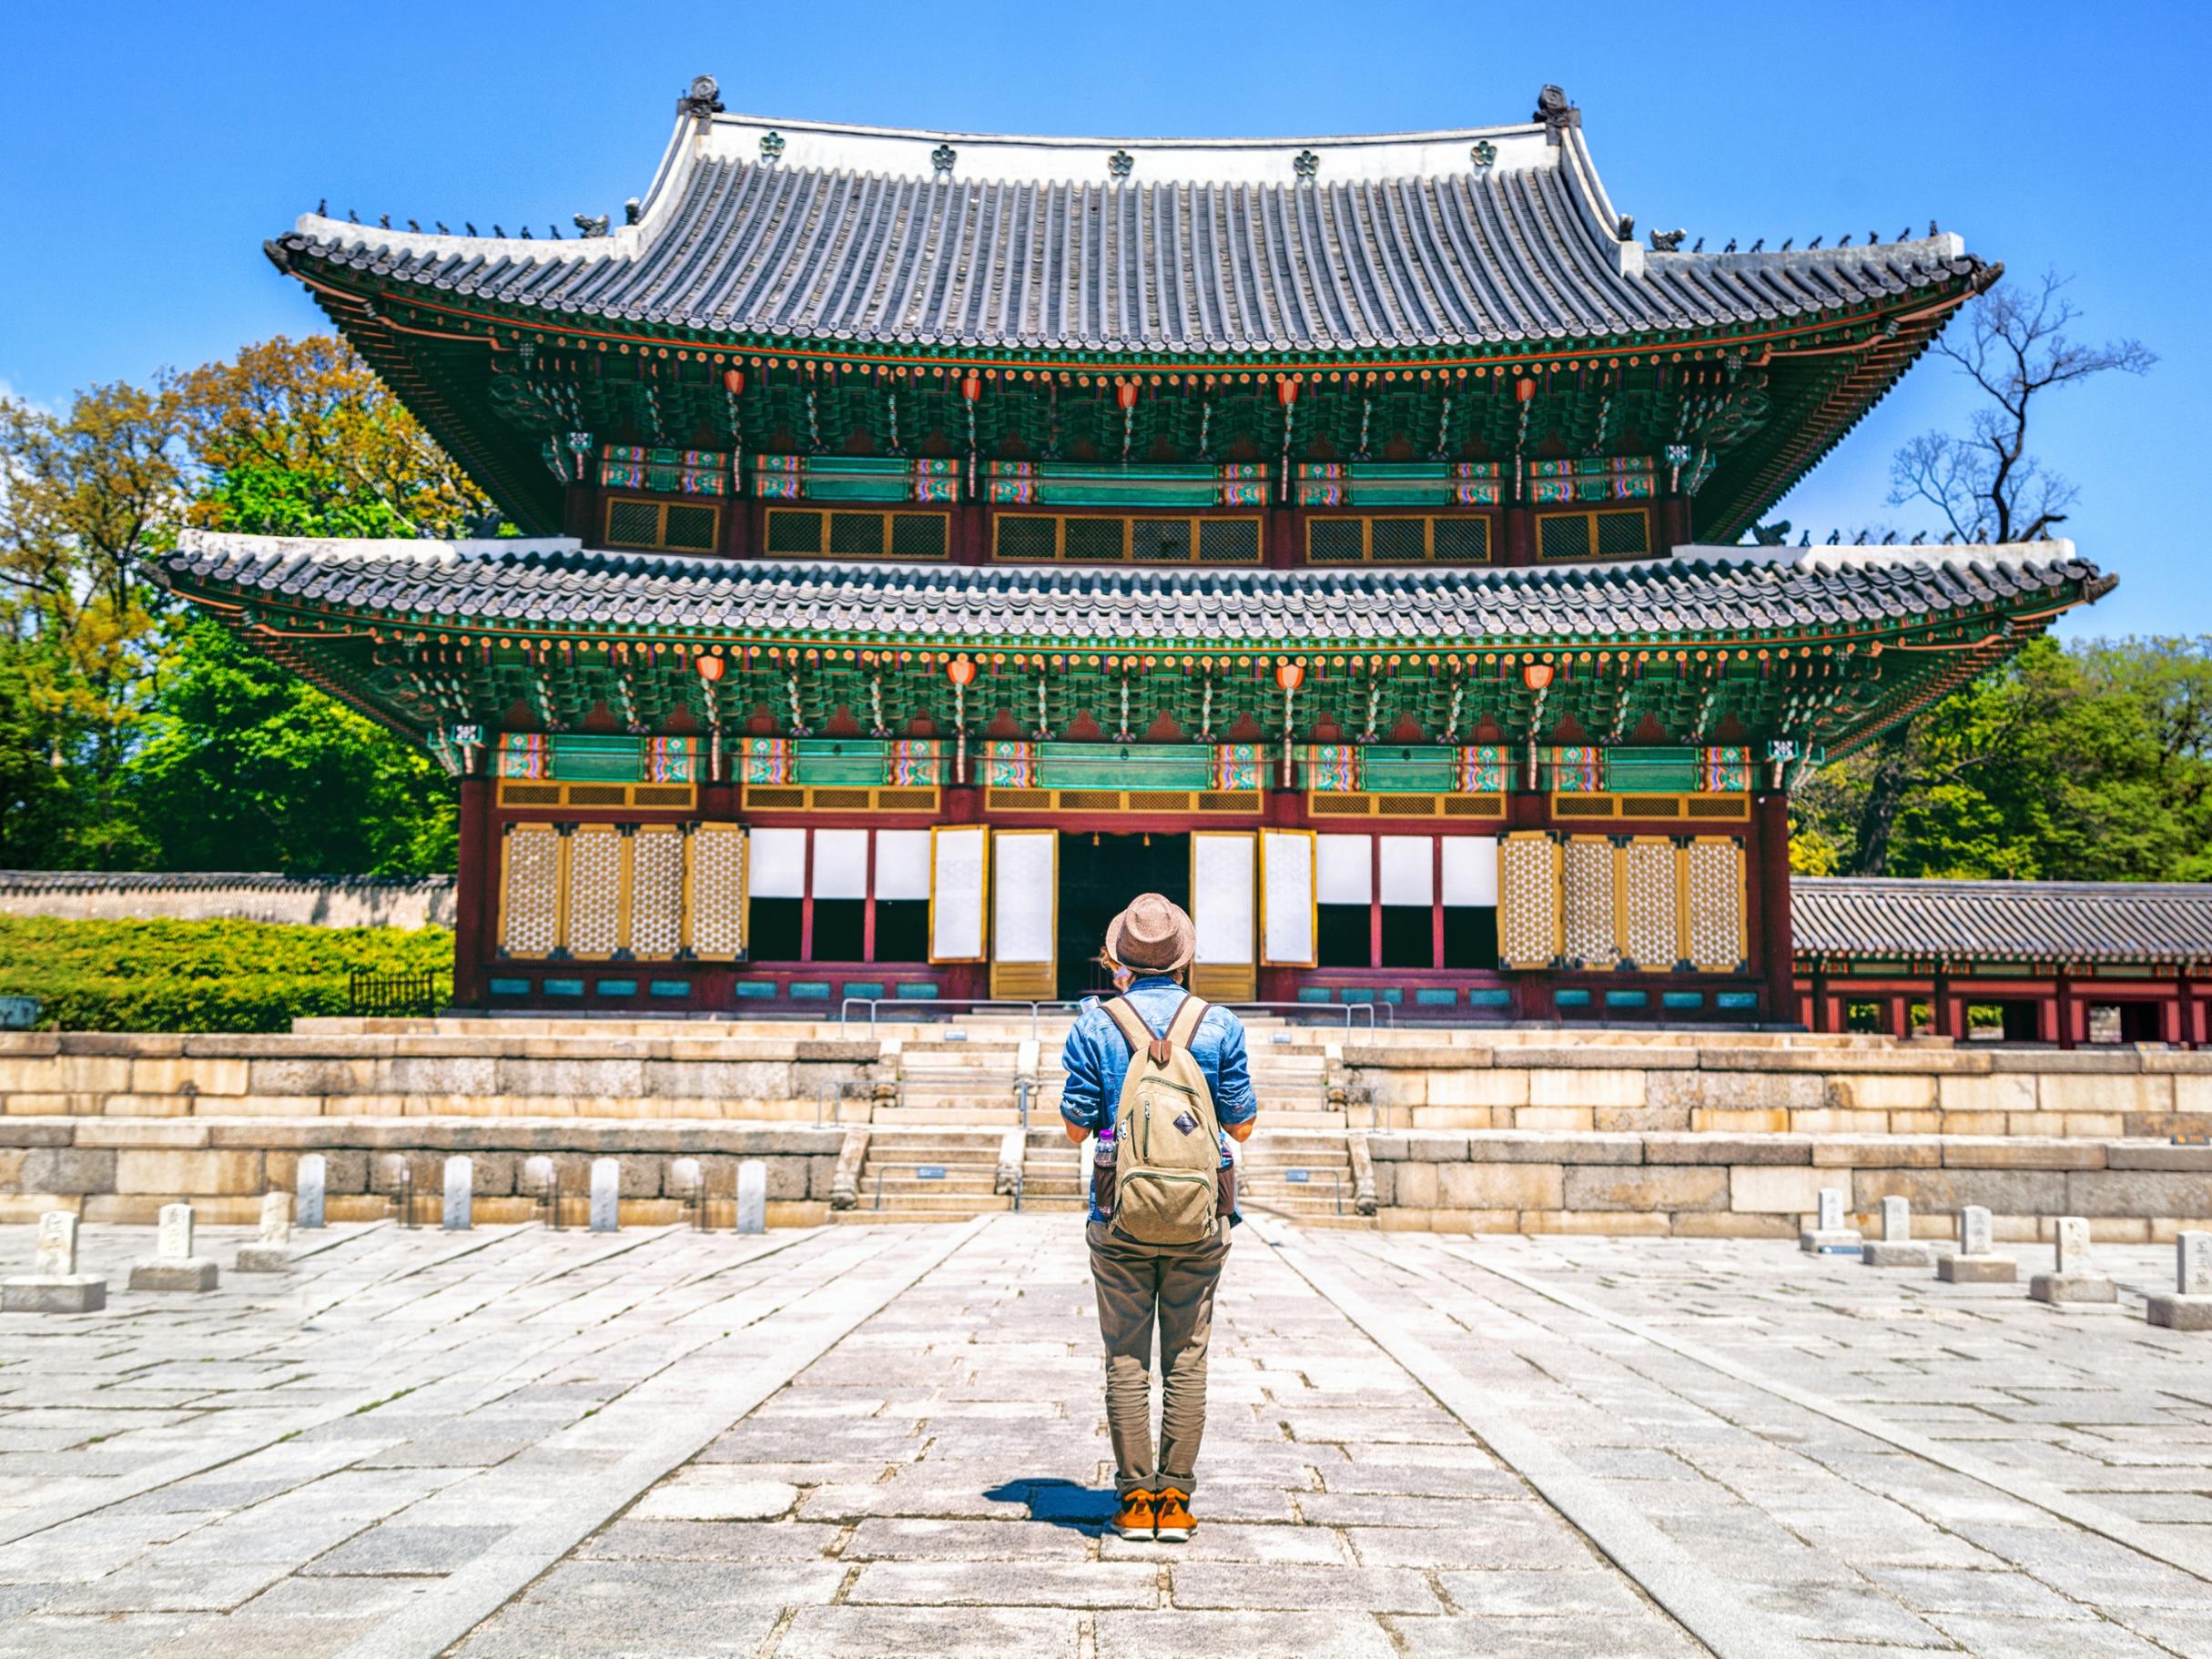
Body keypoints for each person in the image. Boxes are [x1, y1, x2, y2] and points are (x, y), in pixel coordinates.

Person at [1060, 892, 1256, 1543]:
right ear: (1184, 957)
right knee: (1188, 1356)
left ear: (1120, 956)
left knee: (1125, 1357)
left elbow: (1071, 1128)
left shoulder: (1095, 1022)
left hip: (1118, 1210)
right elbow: (1242, 1125)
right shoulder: (1219, 1023)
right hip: (1200, 1216)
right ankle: (1176, 1499)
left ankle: (1134, 1501)